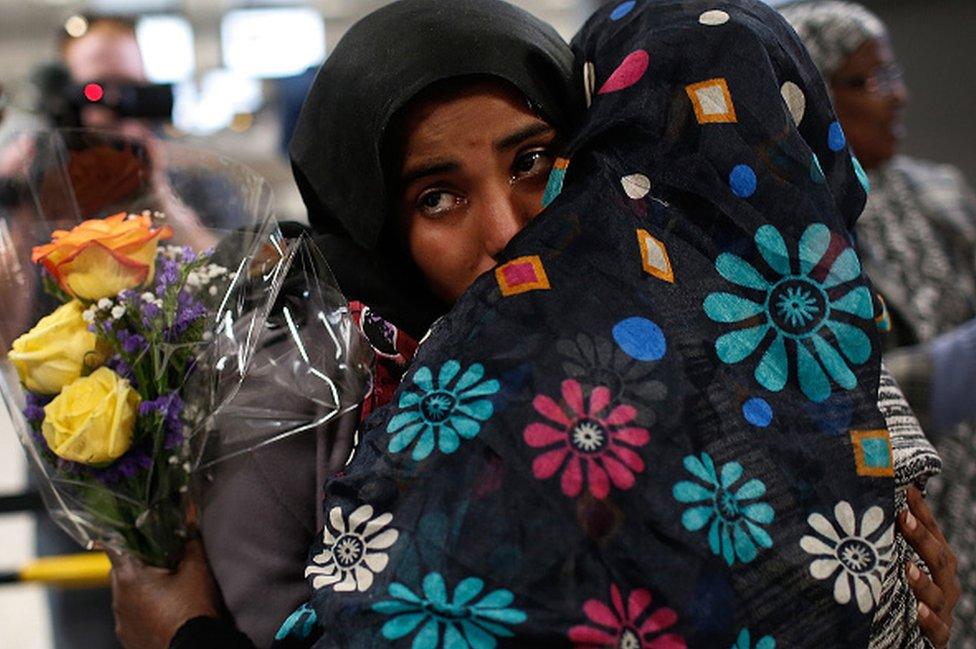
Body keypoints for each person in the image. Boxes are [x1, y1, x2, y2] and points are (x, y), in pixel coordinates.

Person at [109, 0, 957, 647]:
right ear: (366, 222)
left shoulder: (685, 353)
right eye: (436, 196)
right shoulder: (295, 392)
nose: (510, 231)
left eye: (534, 163)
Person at [781, 3, 976, 646]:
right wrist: (960, 365)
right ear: (809, 95)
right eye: (870, 81)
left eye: (892, 72)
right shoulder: (797, 223)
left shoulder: (937, 191)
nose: (900, 96)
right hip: (903, 503)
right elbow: (827, 391)